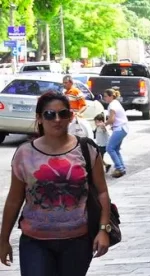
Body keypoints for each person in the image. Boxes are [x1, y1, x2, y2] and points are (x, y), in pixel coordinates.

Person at [0, 92, 112, 275]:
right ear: (39, 118)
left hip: (77, 241)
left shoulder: (86, 149)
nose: (57, 119)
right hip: (35, 241)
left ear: (70, 117)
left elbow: (102, 192)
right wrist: (3, 240)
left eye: (63, 114)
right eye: (50, 114)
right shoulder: (24, 154)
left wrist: (103, 230)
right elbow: (14, 199)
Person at [103, 88, 128, 178]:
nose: (104, 98)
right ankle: (122, 167)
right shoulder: (115, 103)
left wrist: (104, 124)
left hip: (119, 128)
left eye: (105, 96)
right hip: (123, 128)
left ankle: (119, 167)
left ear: (111, 96)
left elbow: (112, 119)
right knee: (115, 149)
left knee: (110, 148)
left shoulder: (112, 105)